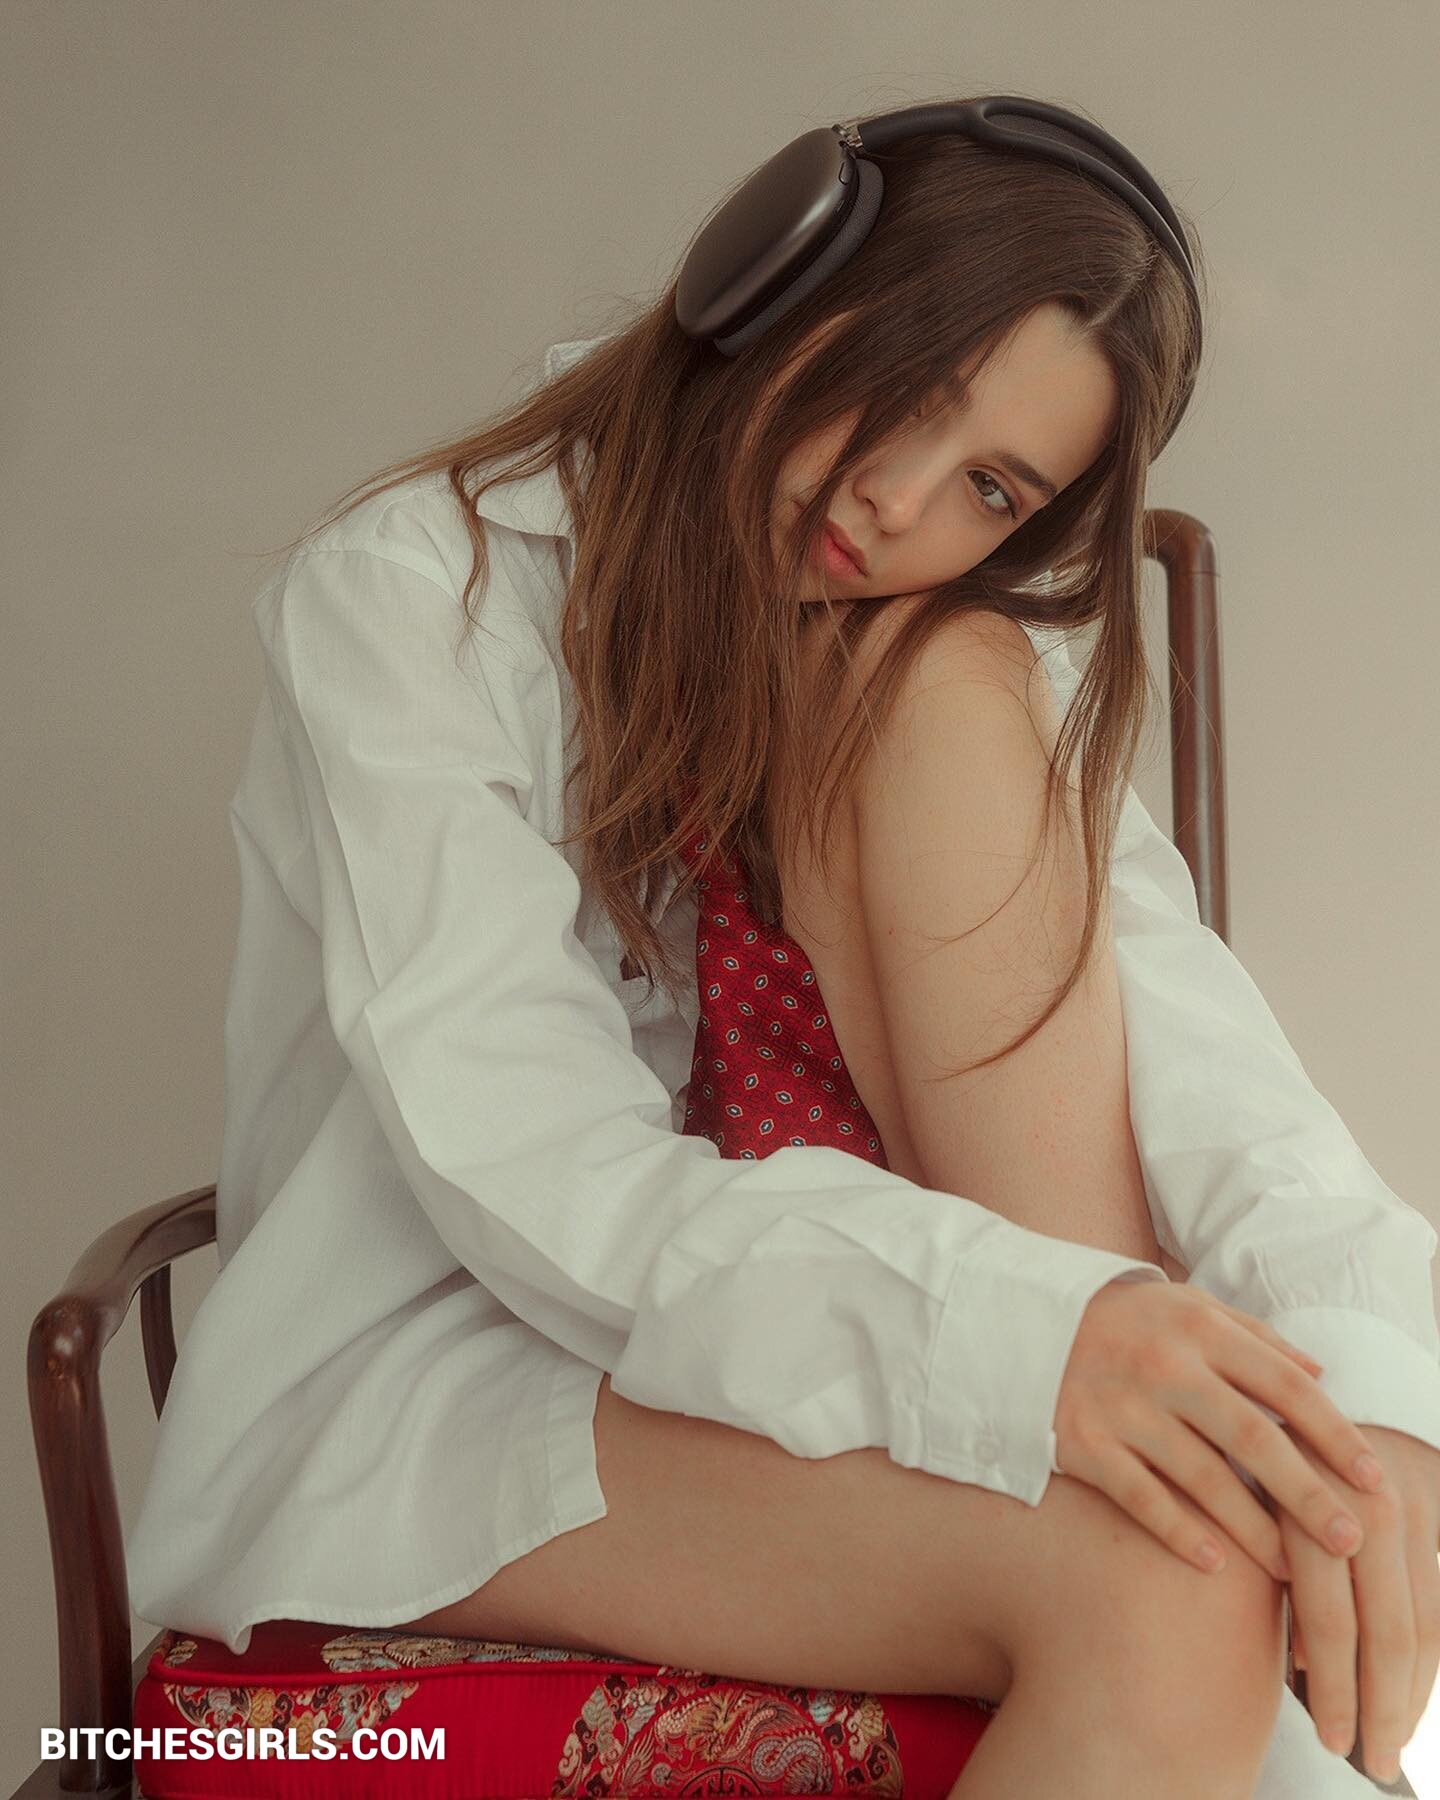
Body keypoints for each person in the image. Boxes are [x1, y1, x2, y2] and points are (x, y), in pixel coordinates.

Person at [124, 96, 1440, 1796]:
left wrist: (1377, 1410)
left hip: (836, 1330)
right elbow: (544, 1179)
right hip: (465, 1383)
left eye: (989, 486)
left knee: (1219, 1543)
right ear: (769, 271)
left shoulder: (940, 666)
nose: (895, 502)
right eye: (907, 388)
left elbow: (1211, 1071)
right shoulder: (408, 592)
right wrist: (1033, 1339)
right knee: (1177, 1582)